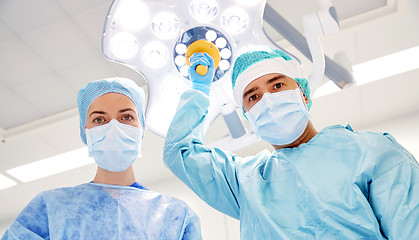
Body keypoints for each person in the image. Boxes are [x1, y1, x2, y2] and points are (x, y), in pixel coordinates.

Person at [163, 48, 419, 239]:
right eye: (253, 96)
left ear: (303, 94)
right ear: (249, 118)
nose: (268, 100)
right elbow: (180, 152)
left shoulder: (371, 152)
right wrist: (199, 89)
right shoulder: (246, 182)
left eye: (277, 85)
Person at [2, 78, 201, 240]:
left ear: (141, 129)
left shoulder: (175, 215)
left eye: (126, 117)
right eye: (99, 119)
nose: (114, 127)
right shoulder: (51, 207)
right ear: (86, 133)